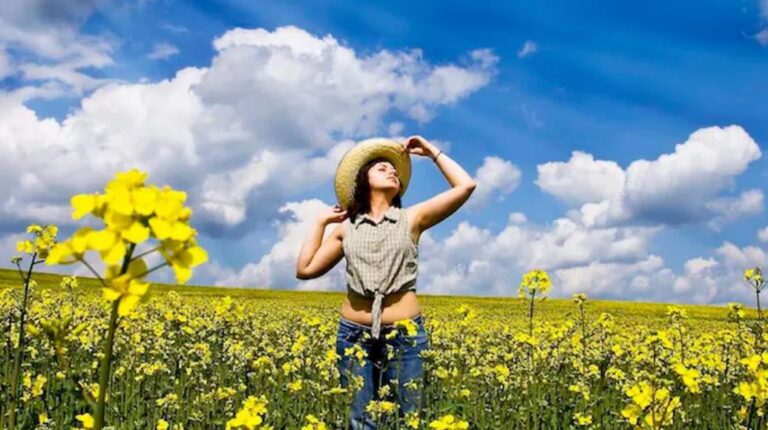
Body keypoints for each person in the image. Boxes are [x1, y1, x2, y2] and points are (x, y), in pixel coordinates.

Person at [296, 135, 477, 429]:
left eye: (394, 170)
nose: (392, 170)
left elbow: (466, 186)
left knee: (408, 420)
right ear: (363, 180)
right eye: (382, 168)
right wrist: (319, 223)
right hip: (353, 335)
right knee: (360, 422)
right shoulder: (346, 228)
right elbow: (305, 269)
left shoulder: (413, 218)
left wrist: (431, 151)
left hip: (405, 335)